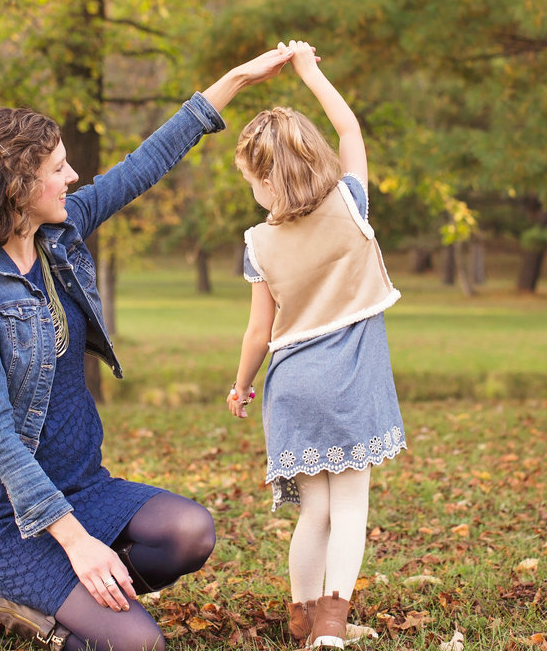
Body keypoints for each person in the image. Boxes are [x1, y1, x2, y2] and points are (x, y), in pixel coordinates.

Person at [0, 45, 294, 651]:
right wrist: (75, 543)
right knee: (136, 646)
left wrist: (234, 80)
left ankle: (62, 596)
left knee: (190, 533)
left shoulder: (61, 230)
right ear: (20, 186)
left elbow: (144, 164)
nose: (72, 178)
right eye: (59, 168)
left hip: (82, 485)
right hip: (7, 517)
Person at [226, 40, 407, 649]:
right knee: (349, 510)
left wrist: (241, 384)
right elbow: (347, 125)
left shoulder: (258, 244)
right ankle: (331, 630)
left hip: (293, 388)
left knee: (314, 513)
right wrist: (306, 70)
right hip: (350, 383)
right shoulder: (350, 205)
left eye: (251, 178)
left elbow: (258, 332)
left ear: (267, 178)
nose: (251, 190)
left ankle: (304, 620)